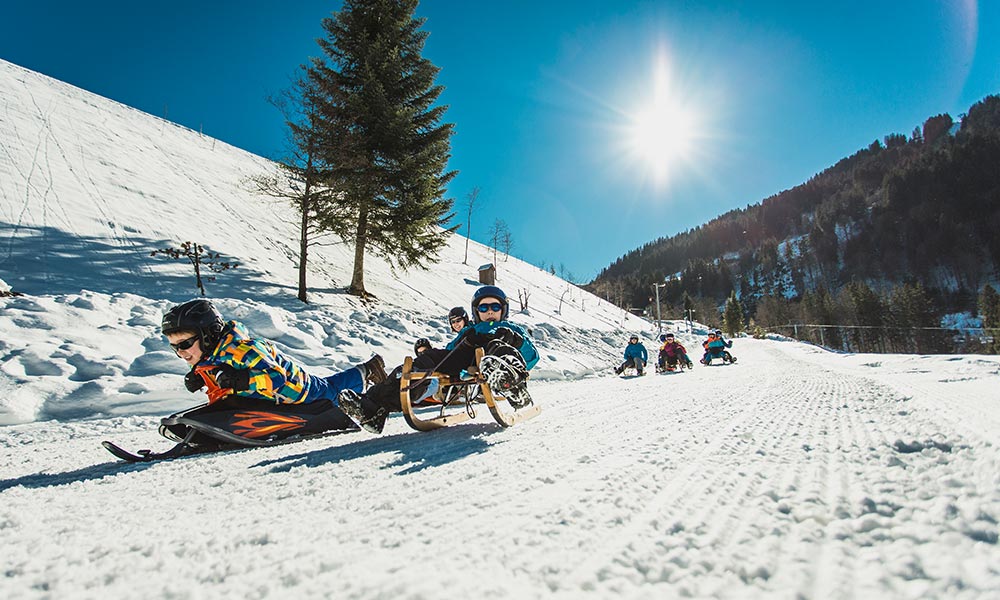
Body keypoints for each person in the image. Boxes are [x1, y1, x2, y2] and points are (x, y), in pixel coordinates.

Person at [338, 285, 540, 433]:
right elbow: (450, 354)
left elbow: (532, 356)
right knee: (427, 360)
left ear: (503, 310)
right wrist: (432, 356)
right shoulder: (470, 331)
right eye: (483, 308)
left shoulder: (512, 329)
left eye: (495, 307)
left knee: (497, 347)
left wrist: (516, 340)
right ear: (476, 312)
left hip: (494, 356)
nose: (489, 312)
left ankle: (512, 385)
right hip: (468, 359)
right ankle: (373, 408)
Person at [162, 299, 387, 412]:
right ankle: (366, 370)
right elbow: (217, 370)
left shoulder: (242, 350)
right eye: (175, 347)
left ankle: (368, 370)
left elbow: (276, 378)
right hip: (272, 400)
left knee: (331, 391)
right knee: (330, 386)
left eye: (185, 344)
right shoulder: (211, 355)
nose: (181, 353)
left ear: (209, 336)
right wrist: (199, 377)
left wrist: (244, 380)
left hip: (297, 390)